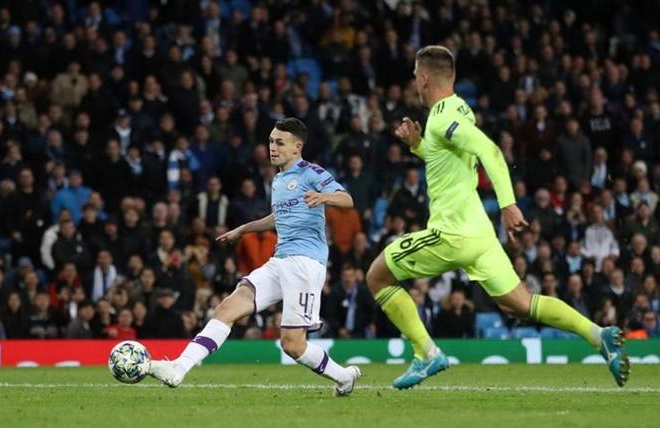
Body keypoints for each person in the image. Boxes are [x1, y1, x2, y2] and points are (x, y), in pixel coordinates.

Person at [365, 45, 629, 389]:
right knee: (520, 303)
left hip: (451, 232)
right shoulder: (455, 110)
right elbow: (449, 161)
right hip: (479, 234)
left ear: (424, 77)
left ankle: (426, 353)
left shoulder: (443, 117)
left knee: (377, 277)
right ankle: (598, 335)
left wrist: (508, 203)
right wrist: (418, 146)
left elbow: (488, 149)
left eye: (416, 74)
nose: (414, 80)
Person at [150, 118, 362, 395]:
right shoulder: (279, 179)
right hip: (280, 260)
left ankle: (344, 377)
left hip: (305, 263)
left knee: (292, 345)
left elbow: (347, 200)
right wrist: (243, 229)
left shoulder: (311, 172)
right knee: (227, 309)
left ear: (297, 147)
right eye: (271, 141)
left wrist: (324, 198)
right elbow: (280, 217)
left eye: (279, 142)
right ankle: (179, 367)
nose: (272, 147)